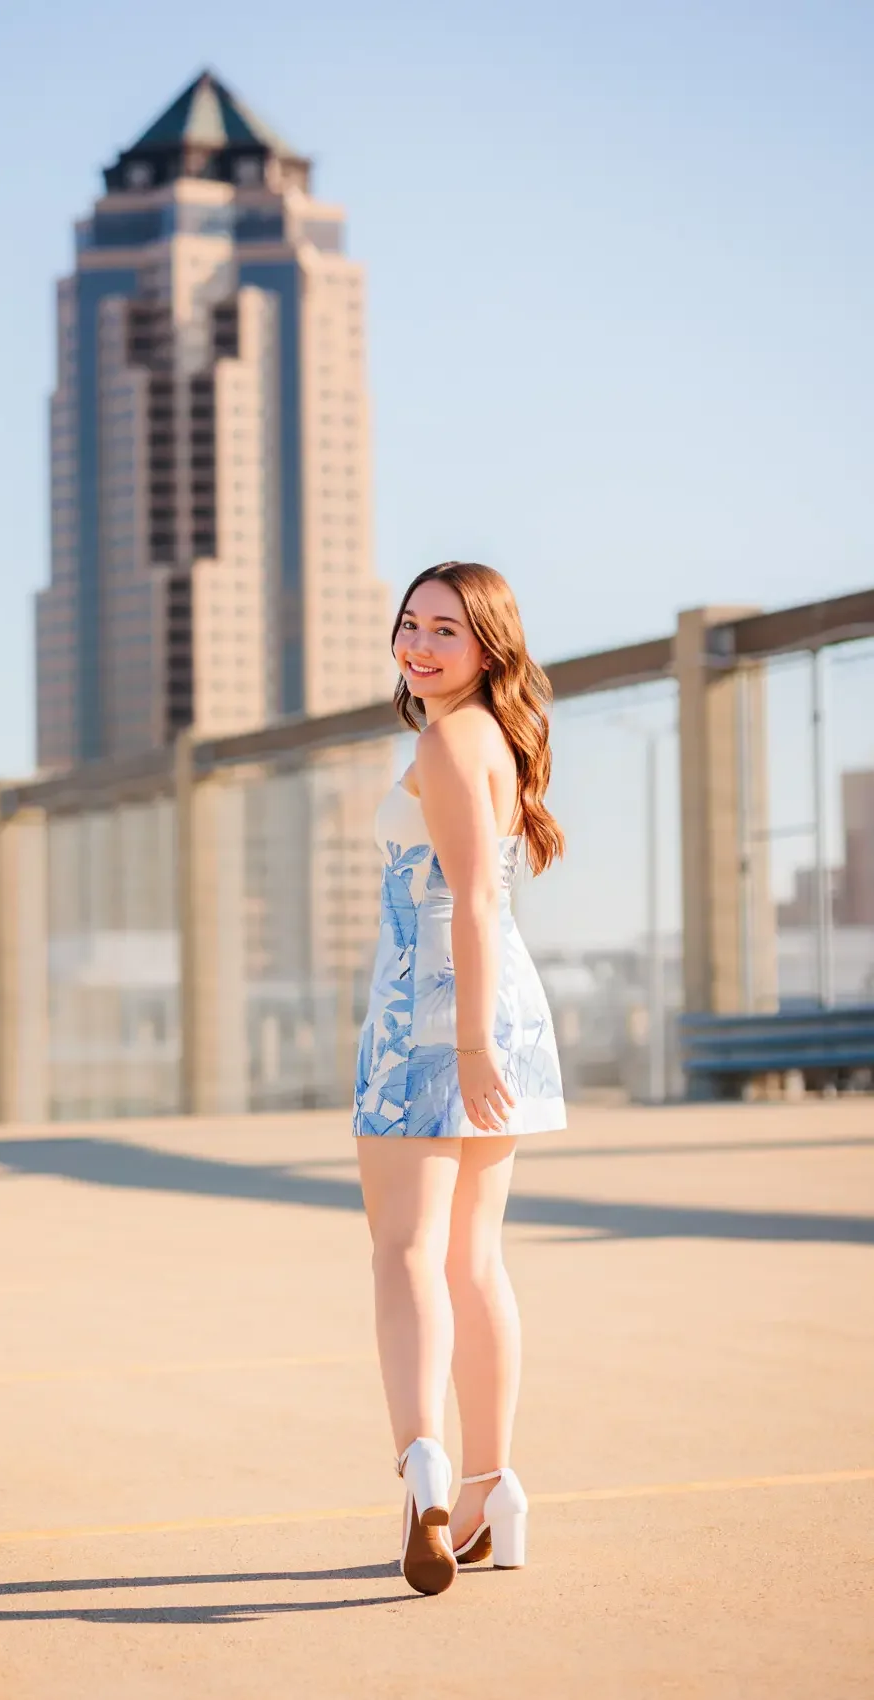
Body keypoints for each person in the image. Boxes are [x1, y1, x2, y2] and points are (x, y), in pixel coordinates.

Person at [353, 560, 566, 1597]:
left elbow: (470, 901)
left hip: (432, 1013)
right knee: (473, 1255)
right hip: (498, 1007)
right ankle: (493, 1488)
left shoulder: (444, 739)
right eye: (409, 624)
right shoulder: (496, 738)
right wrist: (488, 1037)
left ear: (488, 645)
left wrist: (468, 1043)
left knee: (404, 1248)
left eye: (445, 629)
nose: (419, 645)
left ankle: (422, 1461)